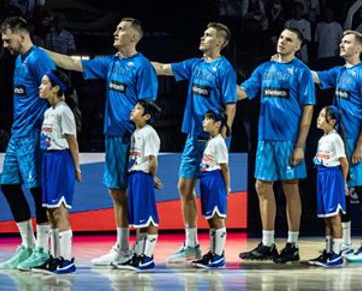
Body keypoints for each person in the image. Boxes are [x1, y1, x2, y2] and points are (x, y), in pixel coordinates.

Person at [44, 18, 158, 267]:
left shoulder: (143, 67)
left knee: (136, 192)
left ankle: (141, 250)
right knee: (117, 191)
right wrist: (40, 50)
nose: (115, 32)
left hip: (132, 138)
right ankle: (123, 248)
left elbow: (147, 108)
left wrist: (140, 143)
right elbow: (73, 63)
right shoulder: (110, 63)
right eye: (116, 28)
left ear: (133, 37)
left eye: (121, 29)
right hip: (113, 135)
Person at [151, 24, 238, 263]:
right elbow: (163, 68)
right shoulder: (194, 64)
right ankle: (191, 244)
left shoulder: (225, 69)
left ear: (219, 42)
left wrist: (222, 135)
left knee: (212, 194)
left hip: (212, 140)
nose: (203, 36)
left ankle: (217, 250)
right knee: (184, 187)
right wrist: (138, 61)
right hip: (192, 137)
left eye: (208, 35)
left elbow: (231, 103)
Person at [237, 27, 316, 264]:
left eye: (288, 39)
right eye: (281, 37)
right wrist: (221, 87)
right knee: (262, 186)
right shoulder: (264, 68)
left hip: (289, 140)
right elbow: (243, 92)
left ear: (298, 46)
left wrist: (300, 145)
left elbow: (308, 110)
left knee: (290, 187)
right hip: (265, 139)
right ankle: (268, 244)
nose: (282, 42)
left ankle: (292, 245)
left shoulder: (301, 72)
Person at [313, 30, 362, 261]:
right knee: (343, 193)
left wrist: (360, 145)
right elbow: (316, 77)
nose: (341, 44)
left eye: (346, 42)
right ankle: (347, 244)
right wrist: (287, 62)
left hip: (358, 140)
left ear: (358, 48)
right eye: (341, 41)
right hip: (339, 142)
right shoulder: (338, 72)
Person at [0, 17, 57, 272]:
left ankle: (43, 250)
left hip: (34, 135)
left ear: (22, 36)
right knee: (9, 186)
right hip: (17, 135)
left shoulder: (38, 59)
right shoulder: (17, 61)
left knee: (37, 192)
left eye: (7, 40)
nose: (5, 45)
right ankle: (27, 246)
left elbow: (55, 91)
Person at [34, 71, 82, 275]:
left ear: (55, 88)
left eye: (44, 83)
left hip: (60, 161)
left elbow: (73, 142)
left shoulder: (64, 111)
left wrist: (77, 168)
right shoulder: (48, 112)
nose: (40, 86)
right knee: (49, 212)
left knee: (60, 211)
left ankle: (66, 260)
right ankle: (55, 258)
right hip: (48, 160)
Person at [115, 99, 163, 272]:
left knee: (149, 218)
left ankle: (147, 257)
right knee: (140, 219)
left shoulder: (149, 132)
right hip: (134, 175)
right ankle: (139, 255)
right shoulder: (137, 133)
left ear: (147, 116)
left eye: (137, 109)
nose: (133, 110)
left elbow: (152, 160)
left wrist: (152, 176)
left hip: (143, 176)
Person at [308, 106, 349, 268]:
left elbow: (344, 163)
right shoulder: (322, 139)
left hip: (333, 178)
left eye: (322, 116)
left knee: (334, 216)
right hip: (322, 177)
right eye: (319, 115)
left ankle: (337, 254)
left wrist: (343, 182)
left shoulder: (335, 138)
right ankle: (328, 251)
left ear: (332, 122)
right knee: (326, 217)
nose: (318, 118)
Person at [194, 110, 231, 269]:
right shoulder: (211, 141)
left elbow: (224, 168)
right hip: (206, 179)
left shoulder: (219, 142)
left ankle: (219, 256)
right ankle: (213, 252)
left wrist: (226, 186)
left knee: (217, 218)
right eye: (204, 118)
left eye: (208, 119)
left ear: (218, 124)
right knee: (210, 219)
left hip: (215, 180)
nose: (204, 122)